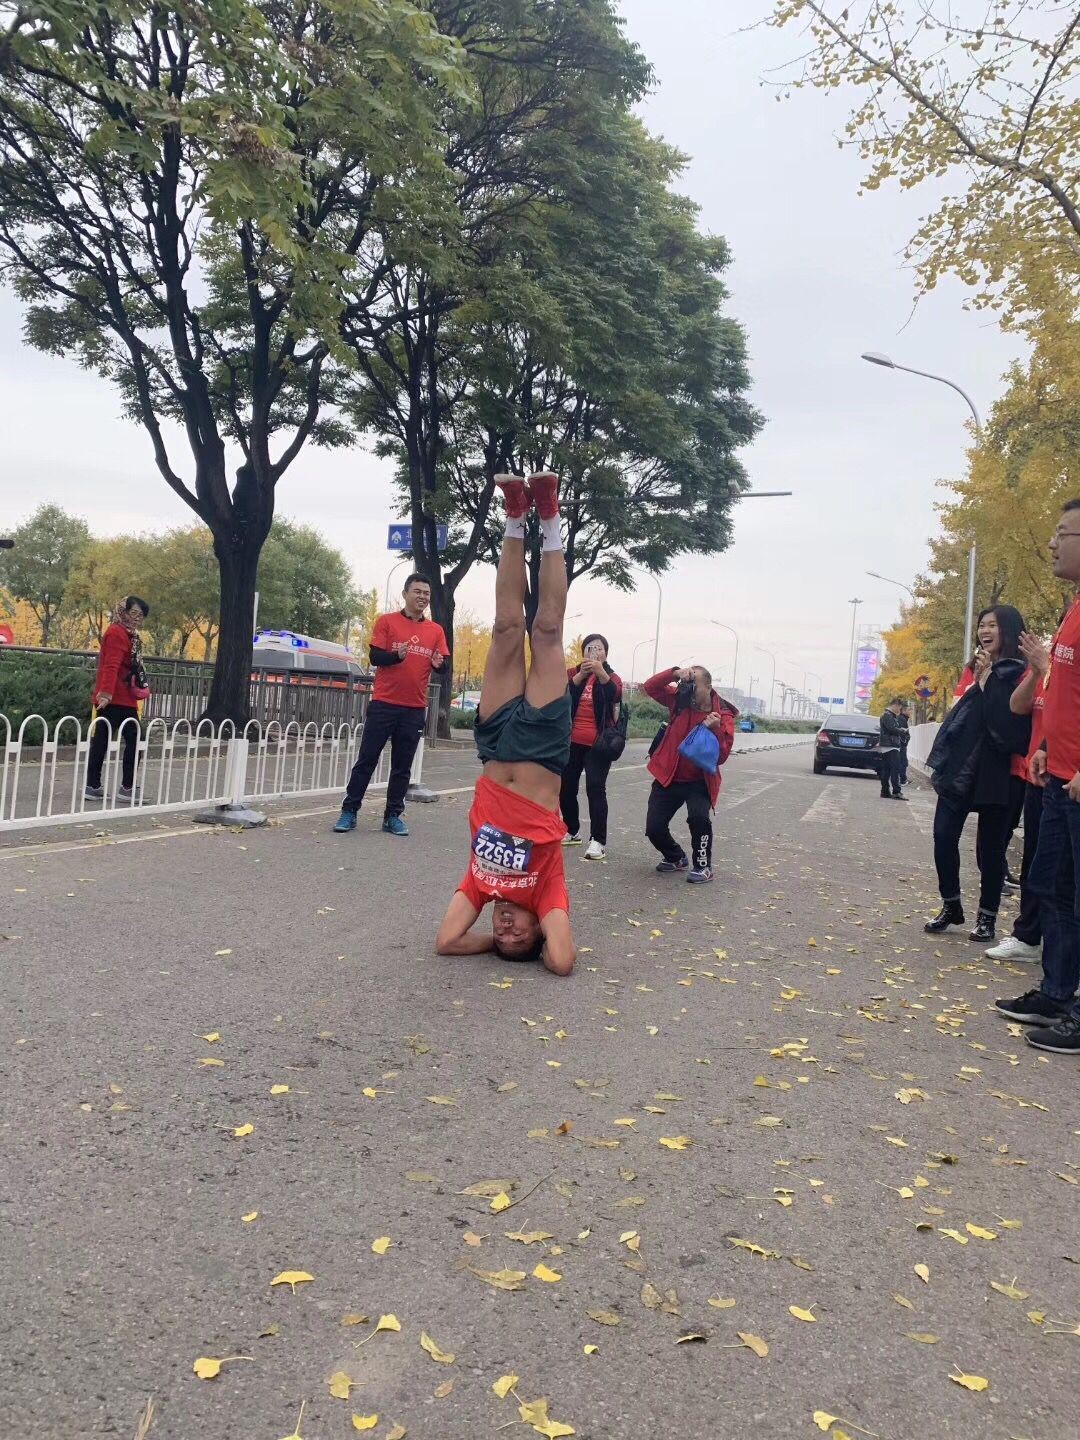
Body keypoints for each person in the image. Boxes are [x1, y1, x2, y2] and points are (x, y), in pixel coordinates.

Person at [434, 473, 575, 977]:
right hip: (542, 748)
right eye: (519, 936)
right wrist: (536, 945)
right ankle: (550, 515)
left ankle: (514, 514)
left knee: (506, 627)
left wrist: (491, 948)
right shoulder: (547, 889)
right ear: (539, 926)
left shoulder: (480, 883)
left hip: (494, 742)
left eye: (502, 935)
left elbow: (448, 940)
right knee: (548, 628)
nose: (507, 929)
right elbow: (561, 962)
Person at [996, 502, 1080, 1054]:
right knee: (1050, 889)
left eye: (1061, 532)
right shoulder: (1075, 610)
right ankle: (1056, 994)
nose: (1051, 544)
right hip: (1060, 778)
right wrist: (1049, 744)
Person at [924, 605, 1031, 942]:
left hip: (1001, 770)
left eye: (993, 625)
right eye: (982, 625)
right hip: (962, 767)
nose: (985, 631)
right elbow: (961, 713)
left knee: (991, 848)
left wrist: (988, 682)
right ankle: (951, 904)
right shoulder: (973, 668)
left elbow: (1007, 726)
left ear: (1009, 630)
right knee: (943, 836)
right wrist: (978, 679)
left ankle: (987, 918)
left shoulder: (1023, 673)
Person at [333, 573, 448, 836]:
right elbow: (375, 657)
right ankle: (349, 811)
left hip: (414, 708)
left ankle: (393, 816)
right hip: (384, 704)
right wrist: (395, 656)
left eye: (426, 593)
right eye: (417, 591)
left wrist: (440, 664)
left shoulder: (435, 631)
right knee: (367, 760)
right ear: (405, 594)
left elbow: (443, 665)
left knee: (402, 766)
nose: (422, 597)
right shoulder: (387, 622)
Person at [642, 664, 736, 884]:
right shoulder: (679, 701)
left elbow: (721, 756)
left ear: (709, 687)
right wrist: (675, 674)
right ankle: (675, 857)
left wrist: (715, 729)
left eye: (694, 684)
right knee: (653, 828)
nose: (689, 688)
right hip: (671, 774)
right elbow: (650, 687)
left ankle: (703, 866)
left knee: (698, 818)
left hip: (699, 780)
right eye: (687, 682)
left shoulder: (723, 714)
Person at [560, 634, 623, 860]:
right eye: (589, 648)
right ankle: (571, 829)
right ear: (582, 651)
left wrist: (599, 671)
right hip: (572, 741)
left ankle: (598, 840)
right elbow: (563, 694)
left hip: (598, 744)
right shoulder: (573, 673)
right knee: (566, 787)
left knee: (595, 790)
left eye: (598, 648)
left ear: (605, 653)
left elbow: (614, 695)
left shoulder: (612, 677)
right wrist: (581, 674)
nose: (593, 652)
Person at [85, 596, 150, 801]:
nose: (137, 618)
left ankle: (93, 785)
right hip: (115, 697)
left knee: (103, 740)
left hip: (120, 696)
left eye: (141, 615)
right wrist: (105, 694)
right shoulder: (116, 633)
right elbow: (111, 665)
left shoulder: (128, 634)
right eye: (134, 613)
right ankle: (126, 788)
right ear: (123, 611)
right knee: (134, 739)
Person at [878, 698, 907, 800]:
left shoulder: (888, 715)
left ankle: (885, 791)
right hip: (891, 746)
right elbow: (891, 729)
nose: (899, 710)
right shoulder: (888, 715)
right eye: (899, 707)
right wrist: (902, 731)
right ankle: (896, 792)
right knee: (895, 769)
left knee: (886, 769)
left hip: (887, 745)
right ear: (895, 705)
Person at [898, 700, 911, 785]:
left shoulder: (902, 718)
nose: (910, 712)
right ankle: (902, 780)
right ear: (903, 710)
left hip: (900, 744)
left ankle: (902, 779)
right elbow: (903, 733)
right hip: (901, 744)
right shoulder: (902, 719)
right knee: (903, 762)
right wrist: (905, 741)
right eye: (909, 710)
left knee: (902, 762)